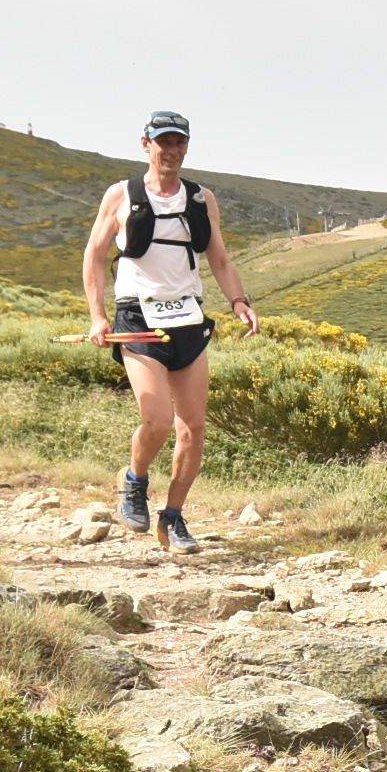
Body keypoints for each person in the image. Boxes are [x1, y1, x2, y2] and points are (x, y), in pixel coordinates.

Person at [81, 110, 258, 552]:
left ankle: (174, 517)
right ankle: (135, 479)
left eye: (179, 143)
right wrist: (97, 316)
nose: (172, 151)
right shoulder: (121, 195)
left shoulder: (201, 199)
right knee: (157, 419)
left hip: (187, 321)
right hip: (138, 318)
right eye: (164, 142)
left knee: (193, 428)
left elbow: (219, 258)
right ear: (146, 144)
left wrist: (239, 301)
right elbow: (94, 256)